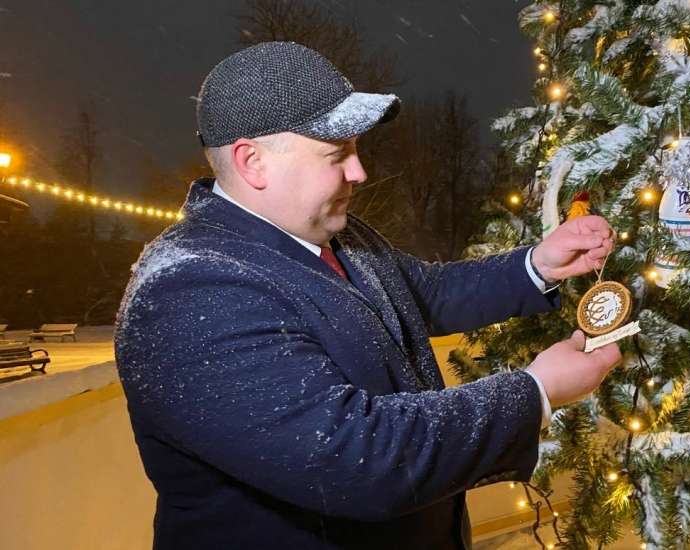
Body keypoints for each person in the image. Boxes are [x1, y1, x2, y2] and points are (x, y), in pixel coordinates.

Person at [114, 42, 621, 550]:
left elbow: (423, 293)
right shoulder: (189, 292)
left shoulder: (336, 234)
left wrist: (538, 265)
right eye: (337, 154)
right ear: (253, 162)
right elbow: (358, 458)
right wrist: (534, 392)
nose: (359, 173)